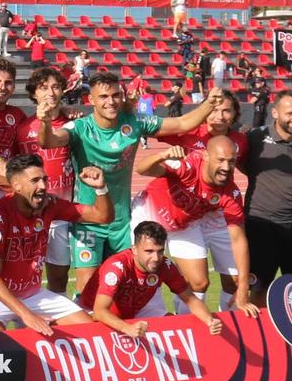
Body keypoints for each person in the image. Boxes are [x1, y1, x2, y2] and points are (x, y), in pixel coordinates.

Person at [31, 70, 217, 307]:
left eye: (116, 95)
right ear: (91, 100)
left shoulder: (135, 122)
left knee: (127, 285)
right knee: (87, 289)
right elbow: (48, 141)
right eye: (104, 97)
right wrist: (44, 122)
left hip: (122, 222)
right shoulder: (79, 127)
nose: (111, 102)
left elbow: (181, 123)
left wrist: (209, 103)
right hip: (88, 221)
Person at [0, 153, 113, 334]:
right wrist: (27, 315)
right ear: (16, 186)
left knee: (93, 333)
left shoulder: (49, 205)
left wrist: (100, 188)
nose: (43, 186)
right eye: (35, 181)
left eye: (44, 180)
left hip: (33, 294)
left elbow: (102, 216)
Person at [129, 136, 252, 311]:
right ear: (206, 156)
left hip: (182, 225)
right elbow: (142, 169)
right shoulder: (188, 167)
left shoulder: (230, 193)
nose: (226, 167)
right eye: (221, 160)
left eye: (231, 162)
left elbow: (238, 240)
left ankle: (186, 323)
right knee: (142, 276)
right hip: (149, 215)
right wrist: (162, 155)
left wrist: (243, 285)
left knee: (199, 282)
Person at [86, 221, 239, 338]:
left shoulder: (165, 265)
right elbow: (100, 311)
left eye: (160, 251)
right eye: (149, 251)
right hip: (93, 311)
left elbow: (191, 300)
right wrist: (127, 328)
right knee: (96, 331)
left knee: (174, 325)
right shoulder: (117, 267)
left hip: (134, 309)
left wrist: (209, 321)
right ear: (134, 249)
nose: (156, 258)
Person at [239, 90, 292, 306]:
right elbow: (241, 163)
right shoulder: (255, 138)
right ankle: (258, 338)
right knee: (258, 292)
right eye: (289, 113)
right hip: (260, 224)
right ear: (275, 113)